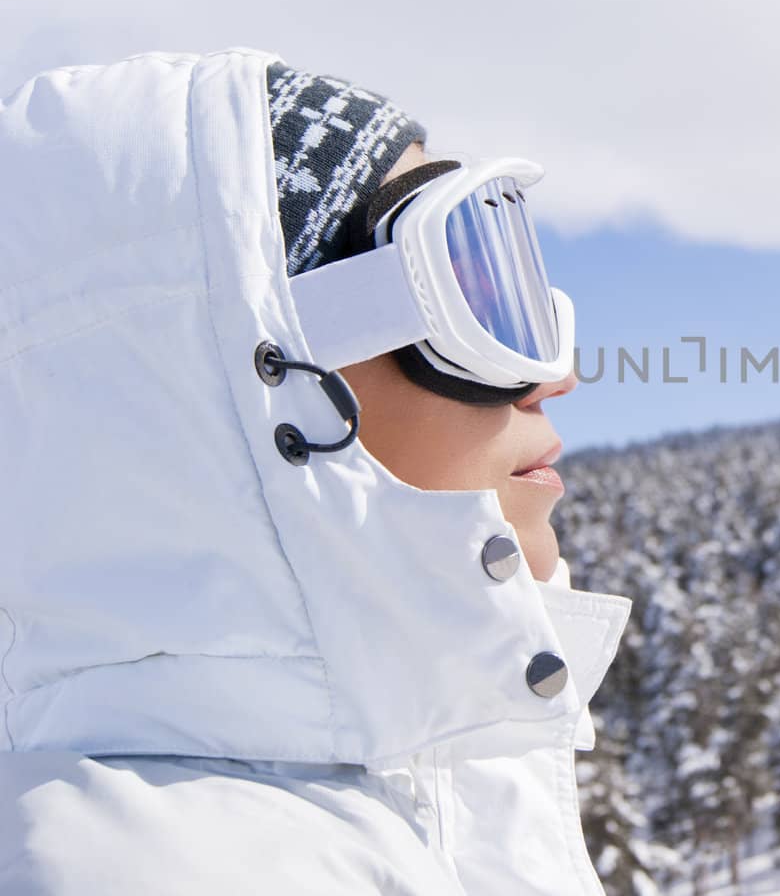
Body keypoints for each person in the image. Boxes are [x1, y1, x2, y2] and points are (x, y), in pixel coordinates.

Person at [0, 47, 632, 894]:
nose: (550, 378)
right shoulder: (142, 871)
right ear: (244, 379)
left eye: (509, 277)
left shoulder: (426, 795)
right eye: (470, 291)